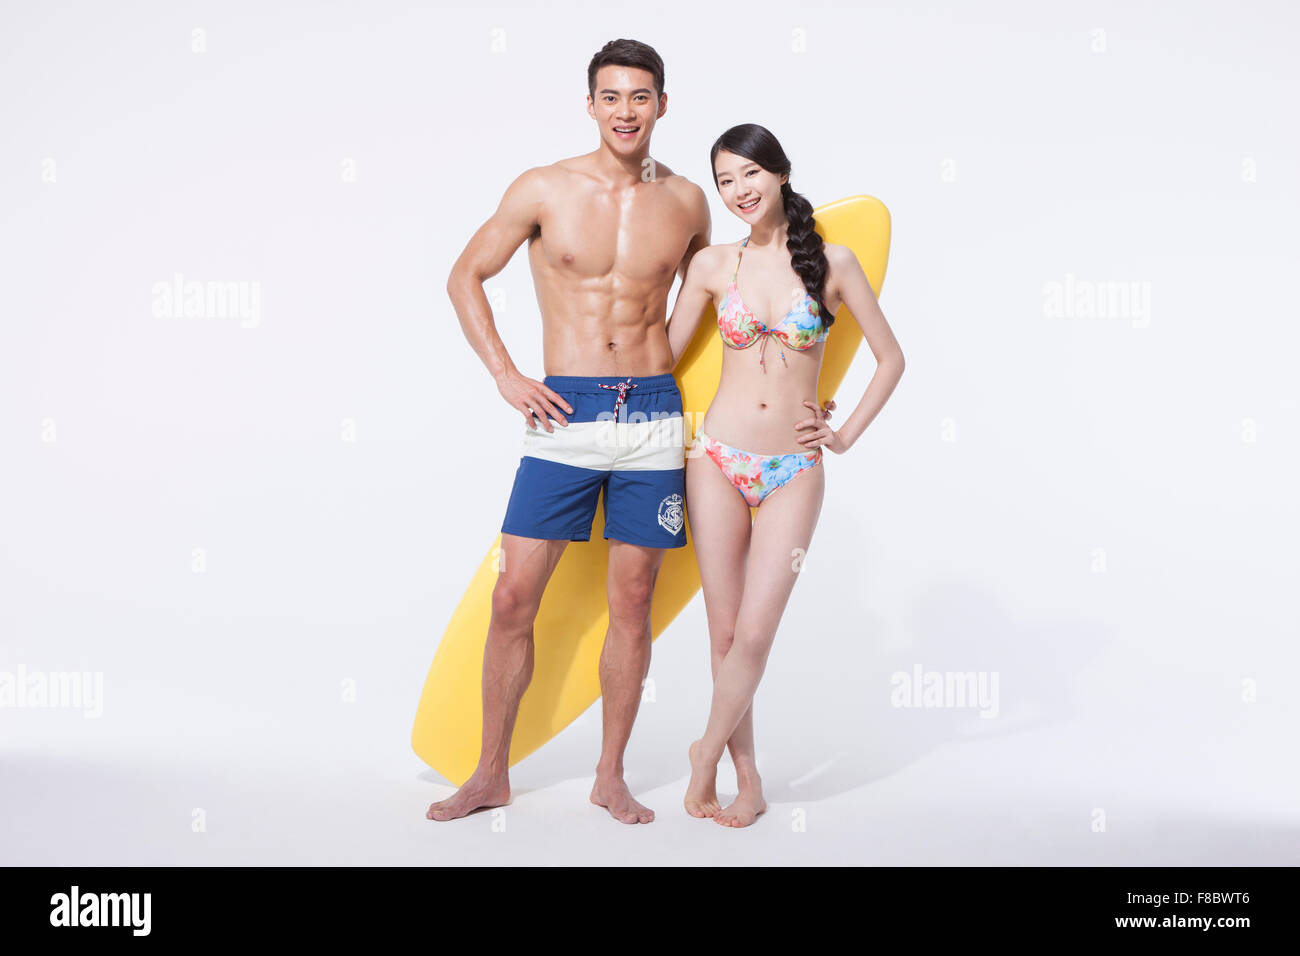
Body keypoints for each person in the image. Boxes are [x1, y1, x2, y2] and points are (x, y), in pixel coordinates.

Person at [427, 39, 712, 824]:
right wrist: (506, 375)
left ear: (663, 104)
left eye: (642, 96)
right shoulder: (544, 188)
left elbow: (709, 306)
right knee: (515, 593)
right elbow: (464, 275)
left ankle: (609, 776)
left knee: (633, 599)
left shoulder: (689, 201)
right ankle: (490, 773)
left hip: (653, 409)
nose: (627, 111)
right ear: (590, 104)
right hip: (566, 408)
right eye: (612, 96)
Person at [664, 123, 905, 827]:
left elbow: (892, 358)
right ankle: (748, 780)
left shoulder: (835, 261)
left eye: (749, 174)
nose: (739, 191)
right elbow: (665, 355)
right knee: (723, 635)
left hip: (793, 468)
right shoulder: (712, 266)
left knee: (756, 637)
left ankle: (702, 756)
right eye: (725, 181)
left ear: (781, 173)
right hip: (716, 462)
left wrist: (844, 434)